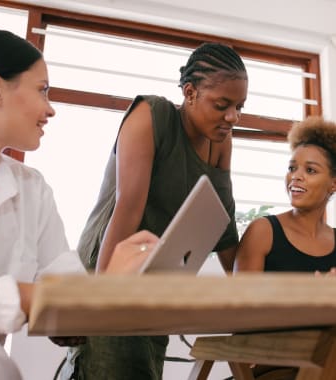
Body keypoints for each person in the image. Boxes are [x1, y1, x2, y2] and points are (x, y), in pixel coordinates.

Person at [0, 26, 159, 380]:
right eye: (42, 89)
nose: (51, 109)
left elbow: (69, 307)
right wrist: (30, 297)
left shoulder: (32, 190)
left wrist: (106, 289)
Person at [67, 42, 248, 380]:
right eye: (222, 105)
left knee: (143, 369)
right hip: (109, 267)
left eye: (239, 106)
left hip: (158, 279)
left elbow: (224, 224)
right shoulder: (151, 115)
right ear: (190, 93)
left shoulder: (221, 139)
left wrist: (252, 292)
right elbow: (127, 210)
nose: (232, 117)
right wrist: (98, 299)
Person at [233, 116, 336, 379]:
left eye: (310, 170)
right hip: (271, 364)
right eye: (292, 168)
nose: (296, 177)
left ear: (333, 184)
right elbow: (239, 313)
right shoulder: (263, 231)